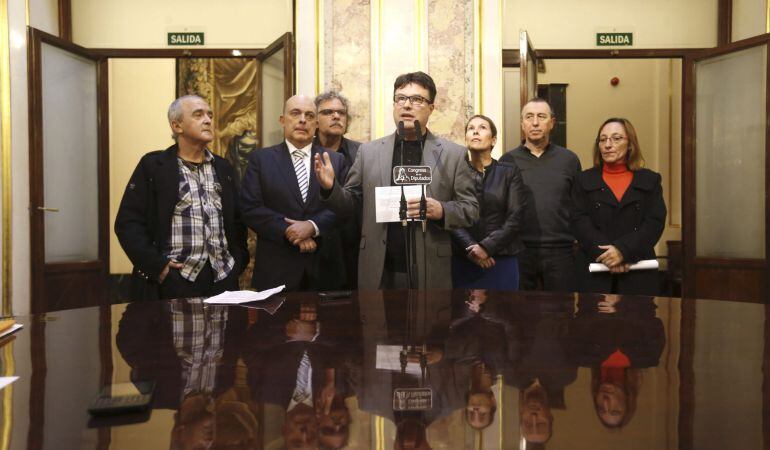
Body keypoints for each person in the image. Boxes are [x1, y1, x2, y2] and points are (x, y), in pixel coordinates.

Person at [314, 71, 478, 289]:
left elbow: (471, 210)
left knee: (429, 324)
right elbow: (350, 205)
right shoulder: (369, 152)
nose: (407, 105)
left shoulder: (453, 154)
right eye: (401, 98)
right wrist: (330, 189)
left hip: (430, 267)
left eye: (417, 99)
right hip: (379, 267)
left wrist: (441, 210)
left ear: (431, 107)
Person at [115, 95, 248, 300]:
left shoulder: (223, 168)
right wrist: (158, 267)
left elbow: (237, 221)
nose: (208, 120)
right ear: (177, 126)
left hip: (222, 278)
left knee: (224, 333)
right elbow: (127, 223)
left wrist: (237, 263)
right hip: (175, 279)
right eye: (198, 114)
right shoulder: (153, 166)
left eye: (209, 115)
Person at [240, 94, 348, 291]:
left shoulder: (335, 160)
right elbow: (250, 208)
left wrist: (312, 226)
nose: (302, 120)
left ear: (316, 123)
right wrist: (289, 230)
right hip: (277, 268)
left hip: (324, 268)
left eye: (309, 115)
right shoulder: (260, 160)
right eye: (295, 113)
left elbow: (344, 207)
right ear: (283, 120)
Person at [571, 118, 667, 295]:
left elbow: (654, 222)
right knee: (594, 322)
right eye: (603, 139)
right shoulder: (583, 180)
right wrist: (609, 256)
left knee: (637, 321)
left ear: (630, 144)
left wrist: (624, 251)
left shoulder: (650, 180)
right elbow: (578, 221)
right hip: (595, 272)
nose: (608, 144)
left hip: (638, 272)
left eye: (616, 138)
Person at [499, 98, 581, 293]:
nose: (535, 122)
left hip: (561, 251)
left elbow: (579, 206)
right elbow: (500, 207)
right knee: (519, 315)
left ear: (552, 122)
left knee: (561, 315)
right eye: (529, 117)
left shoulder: (569, 159)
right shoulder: (507, 160)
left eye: (541, 117)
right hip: (519, 251)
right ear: (522, 124)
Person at [451, 115, 526, 290]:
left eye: (482, 127)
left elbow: (516, 217)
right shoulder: (455, 172)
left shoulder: (509, 172)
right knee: (464, 316)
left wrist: (486, 247)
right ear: (466, 139)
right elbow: (451, 216)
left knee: (502, 314)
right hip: (464, 258)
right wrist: (471, 247)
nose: (475, 131)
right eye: (471, 128)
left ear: (493, 140)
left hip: (501, 259)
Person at [314, 91, 362, 289]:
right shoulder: (303, 152)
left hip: (351, 249)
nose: (336, 116)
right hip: (313, 246)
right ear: (315, 120)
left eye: (341, 113)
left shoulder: (362, 153)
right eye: (328, 112)